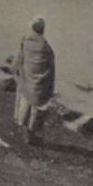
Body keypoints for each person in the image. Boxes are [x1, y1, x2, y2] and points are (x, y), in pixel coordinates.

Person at [13, 17, 57, 146]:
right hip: (40, 83)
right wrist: (48, 83)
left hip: (27, 79)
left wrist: (17, 72)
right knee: (37, 108)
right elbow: (50, 66)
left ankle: (26, 133)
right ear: (42, 29)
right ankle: (31, 136)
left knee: (25, 103)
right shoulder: (46, 47)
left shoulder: (25, 41)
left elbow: (18, 59)